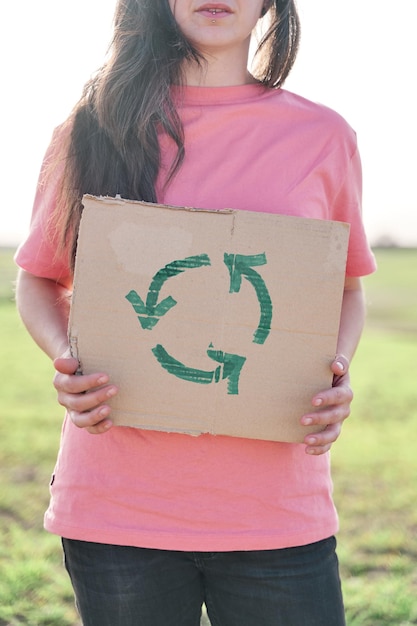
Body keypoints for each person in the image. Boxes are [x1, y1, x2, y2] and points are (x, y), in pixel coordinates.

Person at [15, 1, 376, 624]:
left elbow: (343, 285)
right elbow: (39, 279)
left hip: (276, 513)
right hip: (118, 508)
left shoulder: (324, 136)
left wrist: (335, 367)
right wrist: (66, 361)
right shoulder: (90, 129)